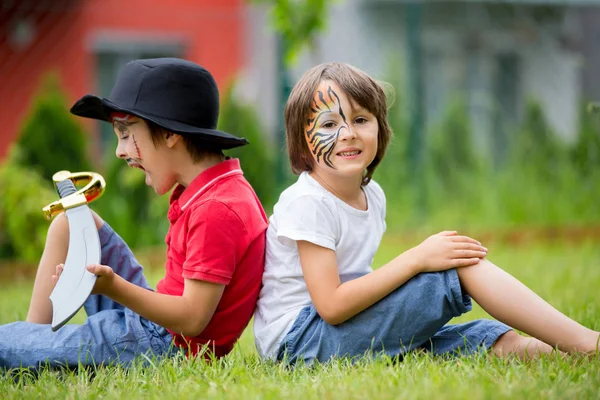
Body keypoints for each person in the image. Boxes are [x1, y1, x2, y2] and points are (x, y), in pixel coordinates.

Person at [253, 62, 600, 365]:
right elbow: (330, 304)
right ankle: (588, 343)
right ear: (302, 140)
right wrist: (417, 259)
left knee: (480, 339)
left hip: (336, 331)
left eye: (361, 119)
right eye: (328, 125)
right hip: (300, 343)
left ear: (380, 128)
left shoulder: (371, 195)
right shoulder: (308, 203)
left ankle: (569, 352)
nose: (348, 134)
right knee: (456, 264)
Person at [0, 58, 268, 369]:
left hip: (162, 346)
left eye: (126, 133)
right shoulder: (216, 190)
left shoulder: (217, 209)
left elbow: (193, 319)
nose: (119, 151)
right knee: (70, 224)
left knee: (6, 344)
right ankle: (36, 347)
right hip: (157, 326)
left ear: (169, 134)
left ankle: (31, 349)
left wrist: (112, 287)